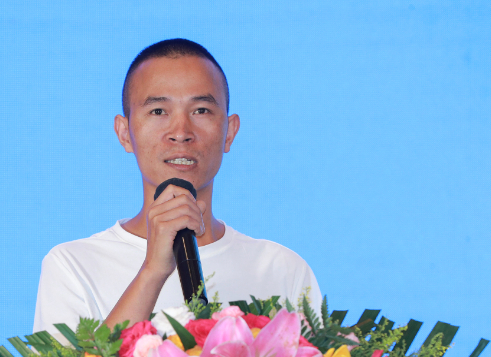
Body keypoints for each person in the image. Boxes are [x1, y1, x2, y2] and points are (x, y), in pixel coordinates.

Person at [33, 39, 321, 337]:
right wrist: (153, 271)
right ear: (125, 133)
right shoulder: (73, 266)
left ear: (229, 132)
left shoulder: (282, 270)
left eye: (201, 110)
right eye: (158, 111)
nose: (181, 132)